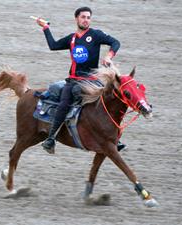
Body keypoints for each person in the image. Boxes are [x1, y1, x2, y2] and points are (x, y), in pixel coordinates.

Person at [36, 6, 126, 153]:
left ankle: (115, 138)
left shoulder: (95, 35)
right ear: (76, 18)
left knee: (106, 103)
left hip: (91, 80)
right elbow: (53, 46)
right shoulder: (71, 38)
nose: (86, 20)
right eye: (83, 17)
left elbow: (115, 42)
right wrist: (45, 28)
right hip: (73, 79)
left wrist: (109, 56)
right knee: (64, 103)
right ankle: (51, 138)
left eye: (88, 17)